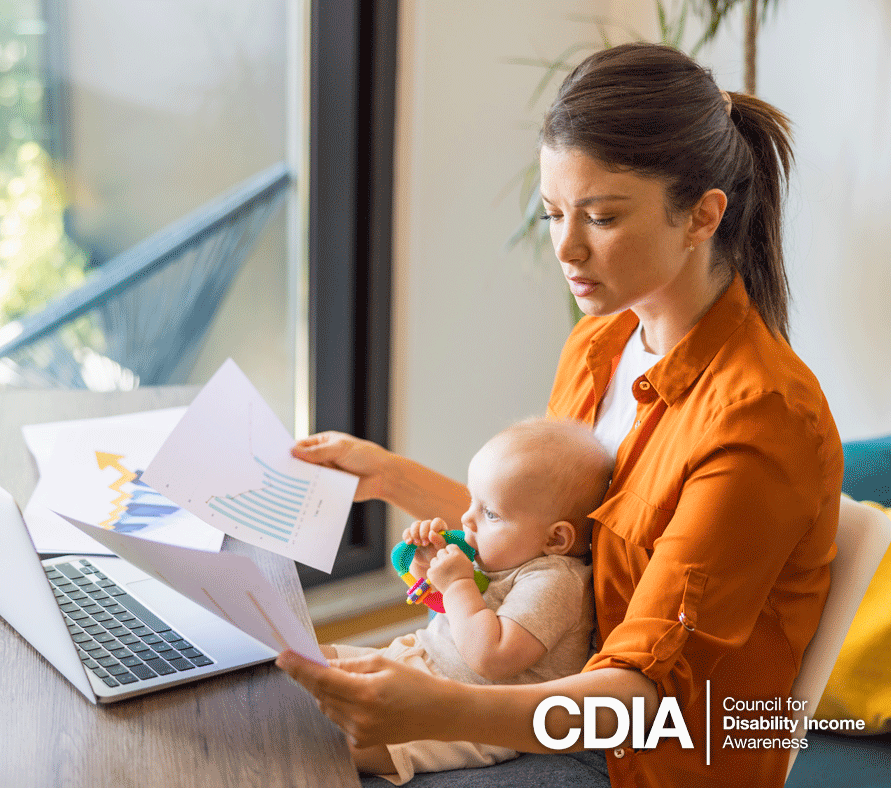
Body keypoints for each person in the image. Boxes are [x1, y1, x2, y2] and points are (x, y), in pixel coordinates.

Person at [279, 42, 842, 788]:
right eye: (552, 213)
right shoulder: (601, 343)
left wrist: (434, 711)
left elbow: (641, 702)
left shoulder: (759, 425)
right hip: (534, 696)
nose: (567, 248)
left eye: (602, 217)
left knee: (292, 763)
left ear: (703, 216)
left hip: (634, 755)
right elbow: (553, 547)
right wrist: (386, 476)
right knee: (263, 706)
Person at [322, 418, 612, 784]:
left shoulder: (555, 582)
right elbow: (452, 615)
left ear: (556, 540)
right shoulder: (505, 554)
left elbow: (490, 656)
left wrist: (457, 584)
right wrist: (428, 570)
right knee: (313, 657)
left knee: (331, 744)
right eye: (473, 501)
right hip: (420, 664)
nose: (467, 519)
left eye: (490, 513)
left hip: (469, 722)